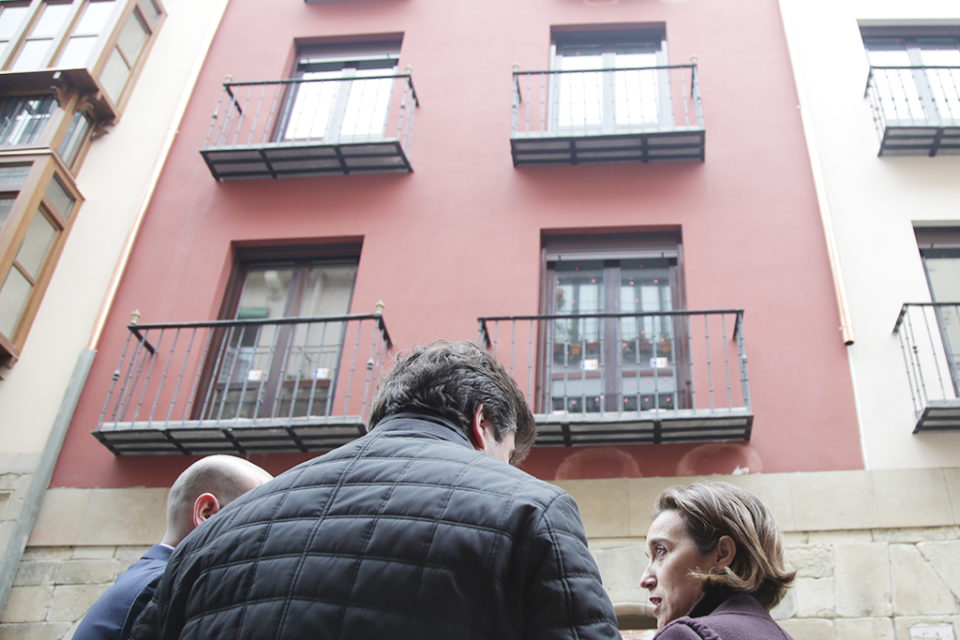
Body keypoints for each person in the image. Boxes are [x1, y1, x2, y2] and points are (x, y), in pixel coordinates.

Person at [129, 340, 620, 640]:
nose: (508, 469)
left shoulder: (209, 538)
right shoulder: (533, 509)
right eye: (507, 452)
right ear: (482, 422)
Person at [73, 455, 273, 640]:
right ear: (207, 513)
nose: (265, 536)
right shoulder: (165, 587)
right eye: (255, 520)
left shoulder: (148, 578)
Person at [640, 482, 796, 639]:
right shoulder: (783, 636)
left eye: (661, 551)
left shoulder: (685, 635)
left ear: (722, 554)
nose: (645, 579)